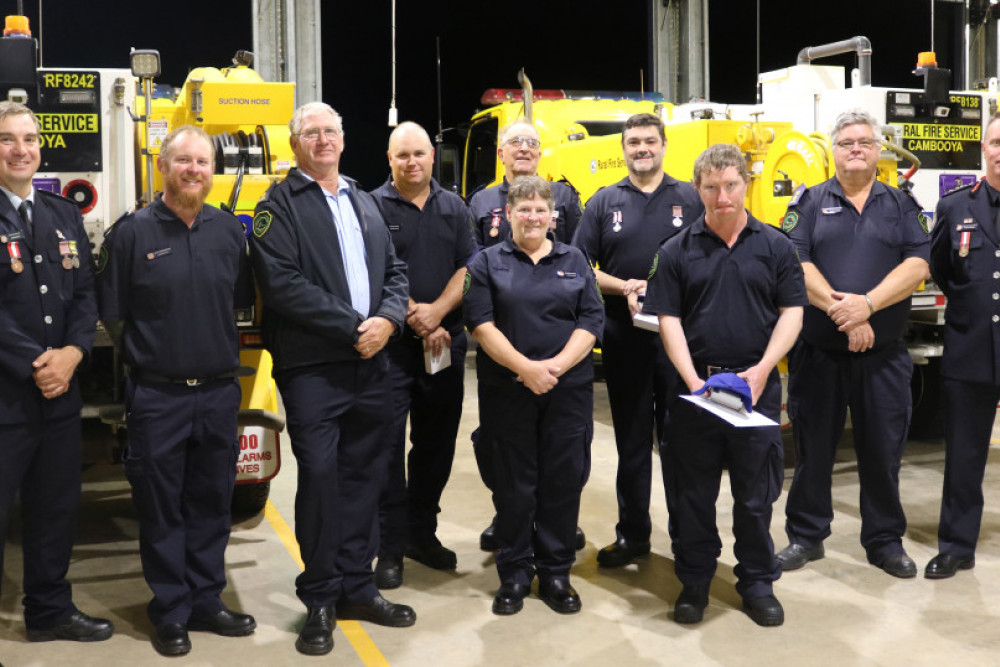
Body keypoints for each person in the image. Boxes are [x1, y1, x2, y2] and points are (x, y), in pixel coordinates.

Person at [249, 102, 412, 657]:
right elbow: (283, 284)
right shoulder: (278, 206)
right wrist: (354, 327)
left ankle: (357, 586)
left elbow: (395, 271)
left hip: (372, 365)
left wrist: (388, 320)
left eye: (331, 131)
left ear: (343, 140)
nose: (322, 140)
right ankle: (319, 597)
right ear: (294, 144)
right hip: (315, 368)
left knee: (366, 477)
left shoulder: (363, 201)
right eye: (311, 132)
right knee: (320, 479)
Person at [97, 125, 256, 656]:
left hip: (216, 394)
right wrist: (154, 357)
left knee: (212, 502)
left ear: (213, 170)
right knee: (161, 507)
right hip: (157, 397)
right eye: (183, 161)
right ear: (163, 167)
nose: (194, 170)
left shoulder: (230, 232)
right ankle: (170, 610)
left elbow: (234, 300)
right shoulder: (132, 234)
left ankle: (207, 600)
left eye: (203, 162)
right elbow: (113, 315)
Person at [644, 142, 806, 627]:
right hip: (697, 391)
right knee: (692, 496)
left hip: (755, 392)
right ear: (698, 189)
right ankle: (694, 581)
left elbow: (793, 312)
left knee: (756, 495)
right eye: (711, 187)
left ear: (746, 185)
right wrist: (693, 379)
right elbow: (667, 318)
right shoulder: (675, 250)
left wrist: (763, 371)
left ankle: (756, 581)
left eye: (730, 185)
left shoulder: (776, 246)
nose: (722, 196)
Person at [777, 109, 930, 578]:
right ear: (834, 150)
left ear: (878, 149)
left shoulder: (900, 204)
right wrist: (847, 317)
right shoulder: (808, 202)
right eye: (846, 143)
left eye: (865, 141)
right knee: (813, 451)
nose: (857, 149)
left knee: (882, 453)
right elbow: (794, 263)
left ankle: (884, 540)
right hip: (819, 355)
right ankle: (806, 536)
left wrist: (867, 304)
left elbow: (918, 265)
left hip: (883, 358)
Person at [464, 175, 604, 616]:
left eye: (540, 209)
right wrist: (526, 370)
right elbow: (481, 325)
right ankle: (516, 572)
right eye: (523, 209)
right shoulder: (486, 262)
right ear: (508, 215)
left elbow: (591, 320)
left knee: (562, 483)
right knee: (514, 485)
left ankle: (556, 572)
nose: (532, 216)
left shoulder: (576, 260)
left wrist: (555, 368)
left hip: (566, 392)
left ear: (552, 215)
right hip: (508, 392)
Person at [0, 101, 112, 644]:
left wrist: (72, 353)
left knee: (54, 510)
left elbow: (85, 294)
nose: (21, 149)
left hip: (59, 395)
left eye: (29, 138)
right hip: (6, 398)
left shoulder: (62, 213)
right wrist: (33, 362)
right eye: (7, 139)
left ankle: (48, 611)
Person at [572, 112, 703, 567]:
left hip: (678, 344)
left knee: (679, 442)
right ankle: (633, 535)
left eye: (650, 140)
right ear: (623, 149)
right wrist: (626, 286)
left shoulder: (690, 197)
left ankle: (687, 538)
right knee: (631, 443)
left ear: (664, 145)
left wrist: (666, 293)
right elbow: (581, 267)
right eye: (633, 142)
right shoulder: (603, 202)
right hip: (623, 340)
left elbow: (708, 262)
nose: (642, 148)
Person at [469, 120, 586, 551]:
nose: (523, 149)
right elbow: (471, 268)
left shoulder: (568, 197)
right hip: (504, 357)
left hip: (560, 365)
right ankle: (508, 519)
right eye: (515, 143)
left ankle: (556, 527)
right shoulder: (480, 201)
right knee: (505, 454)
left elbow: (576, 264)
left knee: (563, 456)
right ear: (501, 153)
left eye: (532, 143)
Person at [370, 121, 476, 588]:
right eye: (402, 156)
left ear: (433, 157)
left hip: (444, 347)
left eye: (419, 154)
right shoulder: (371, 207)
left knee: (435, 446)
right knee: (388, 448)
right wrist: (415, 314)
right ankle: (389, 547)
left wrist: (437, 313)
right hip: (391, 350)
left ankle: (422, 533)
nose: (411, 162)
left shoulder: (454, 207)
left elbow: (469, 267)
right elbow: (372, 272)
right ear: (389, 160)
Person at [925, 111, 1000, 579]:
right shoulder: (955, 207)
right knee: (965, 454)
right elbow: (941, 269)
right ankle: (956, 545)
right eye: (994, 142)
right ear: (983, 150)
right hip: (971, 346)